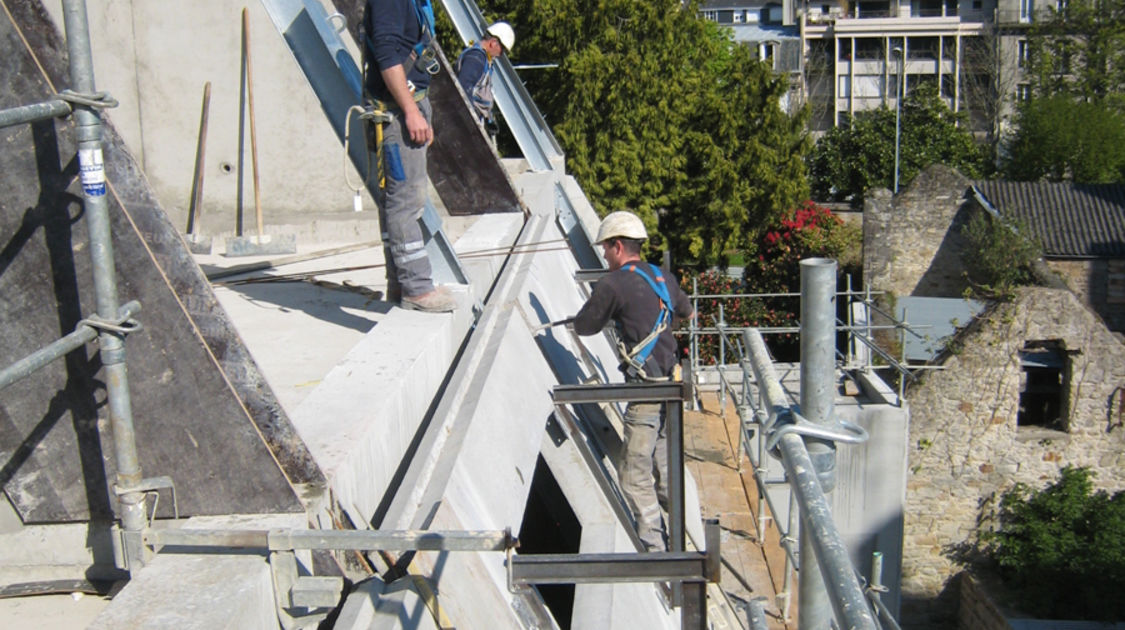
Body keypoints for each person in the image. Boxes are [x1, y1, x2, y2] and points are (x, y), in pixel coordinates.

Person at [572, 211, 693, 551]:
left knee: (634, 473)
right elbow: (687, 311)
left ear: (618, 246)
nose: (604, 256)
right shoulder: (662, 277)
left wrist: (614, 310)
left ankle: (657, 548)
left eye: (606, 249)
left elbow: (584, 326)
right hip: (673, 385)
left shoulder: (612, 284)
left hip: (646, 392)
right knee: (665, 464)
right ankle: (681, 532)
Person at [363, 0, 456, 312]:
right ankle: (416, 288)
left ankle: (399, 283)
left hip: (405, 106)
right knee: (405, 201)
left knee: (397, 200)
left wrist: (418, 108)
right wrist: (411, 111)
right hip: (397, 114)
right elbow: (388, 57)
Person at [455, 22, 514, 139]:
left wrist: (489, 120)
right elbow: (463, 91)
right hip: (464, 123)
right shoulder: (476, 59)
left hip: (471, 119)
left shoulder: (482, 59)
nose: (501, 54)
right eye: (502, 50)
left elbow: (478, 92)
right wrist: (469, 124)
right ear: (493, 43)